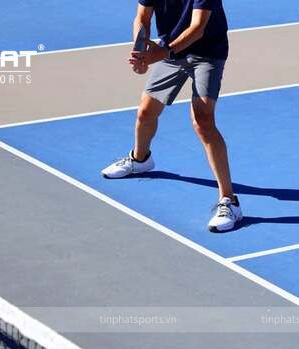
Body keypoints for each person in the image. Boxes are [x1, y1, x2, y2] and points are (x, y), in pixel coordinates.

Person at [101, 0, 242, 232]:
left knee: (203, 121)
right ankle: (140, 160)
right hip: (170, 51)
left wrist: (161, 52)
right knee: (146, 112)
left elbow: (198, 28)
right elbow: (142, 17)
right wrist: (141, 50)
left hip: (207, 53)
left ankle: (229, 202)